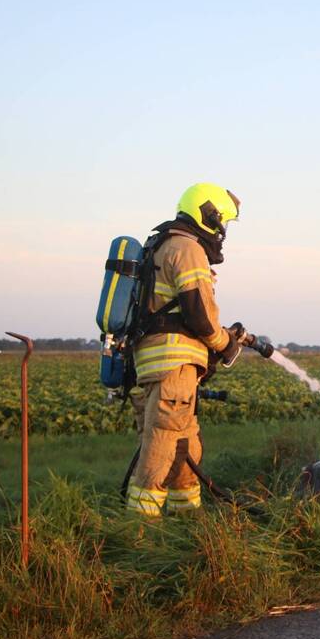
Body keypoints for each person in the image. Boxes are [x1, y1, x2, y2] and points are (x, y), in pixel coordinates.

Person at [126, 182, 248, 517]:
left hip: (160, 365)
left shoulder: (163, 245)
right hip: (173, 367)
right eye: (222, 221)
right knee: (163, 444)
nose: (222, 232)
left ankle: (188, 517)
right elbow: (199, 313)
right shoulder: (187, 247)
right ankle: (139, 526)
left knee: (185, 445)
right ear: (208, 215)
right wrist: (224, 344)